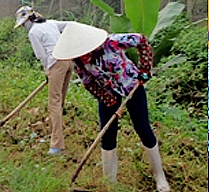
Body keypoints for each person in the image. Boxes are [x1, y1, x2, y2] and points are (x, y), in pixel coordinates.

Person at [52, 22, 170, 192]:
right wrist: (109, 102)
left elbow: (141, 41)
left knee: (143, 128)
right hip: (108, 94)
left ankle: (160, 176)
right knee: (107, 135)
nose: (82, 56)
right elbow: (89, 83)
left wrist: (145, 68)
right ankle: (110, 183)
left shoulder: (111, 42)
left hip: (132, 85)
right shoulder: (79, 62)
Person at [14, 6, 72, 155]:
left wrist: (48, 70)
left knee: (54, 103)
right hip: (68, 60)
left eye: (22, 24)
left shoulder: (33, 32)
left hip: (55, 63)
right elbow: (69, 25)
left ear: (28, 20)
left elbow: (41, 55)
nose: (23, 27)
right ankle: (54, 134)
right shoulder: (50, 23)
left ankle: (57, 145)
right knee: (60, 101)